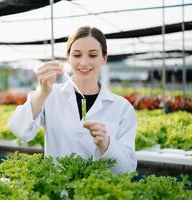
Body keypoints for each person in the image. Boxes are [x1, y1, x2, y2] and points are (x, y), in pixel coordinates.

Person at [7, 26, 137, 174]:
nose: (83, 62)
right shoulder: (50, 95)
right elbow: (19, 130)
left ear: (104, 58)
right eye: (77, 55)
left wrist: (107, 145)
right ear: (68, 58)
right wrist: (42, 93)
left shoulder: (122, 108)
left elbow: (127, 169)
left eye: (93, 55)